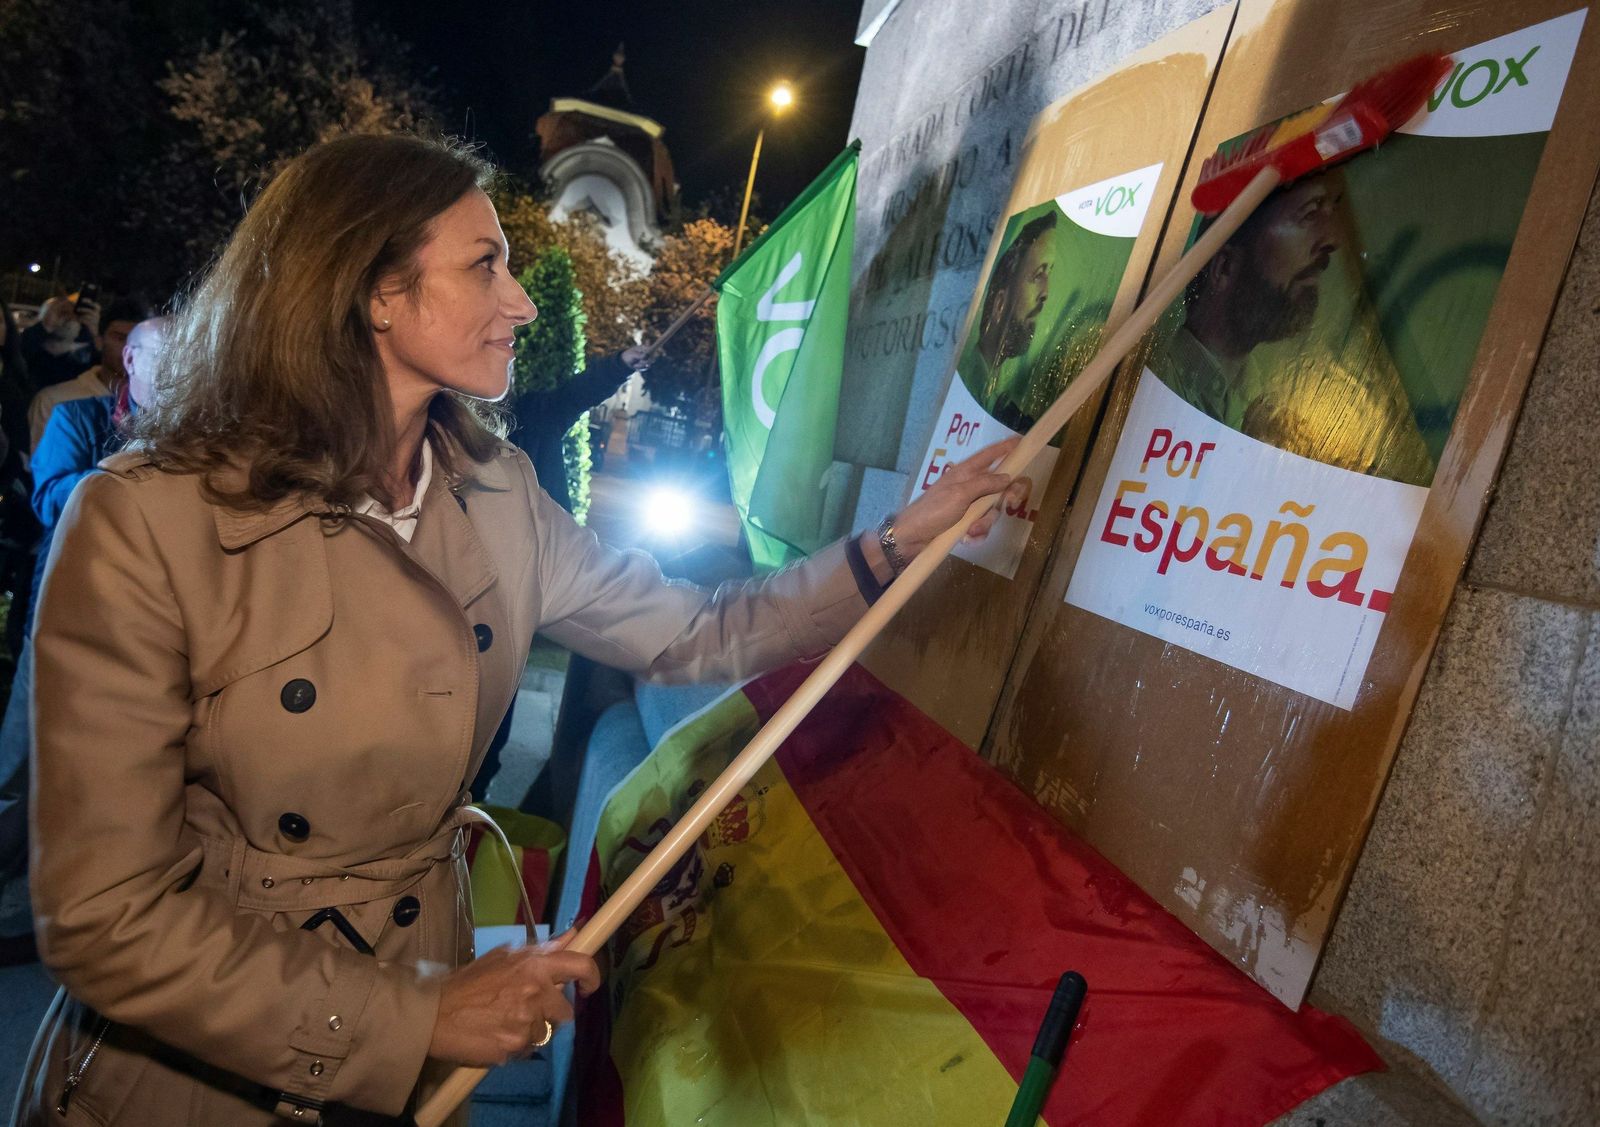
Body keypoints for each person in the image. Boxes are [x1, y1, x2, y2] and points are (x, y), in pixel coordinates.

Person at [13, 133, 1021, 1125]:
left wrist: (891, 543)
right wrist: (410, 1013)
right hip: (201, 1078)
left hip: (414, 1062)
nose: (524, 301)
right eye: (484, 265)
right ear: (372, 291)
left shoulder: (498, 495)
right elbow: (105, 916)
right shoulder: (148, 518)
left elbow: (698, 631)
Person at [0, 315, 171, 964]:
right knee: (18, 768)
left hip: (140, 640)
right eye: (165, 360)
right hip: (61, 627)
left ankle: (43, 912)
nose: (178, 374)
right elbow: (52, 500)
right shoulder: (79, 420)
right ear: (130, 359)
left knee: (97, 782)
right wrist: (139, 478)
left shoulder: (190, 440)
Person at [1154, 176, 1340, 430]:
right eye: (1309, 214)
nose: (1332, 241)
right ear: (1225, 268)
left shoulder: (1259, 402)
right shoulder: (1150, 385)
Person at [959, 210, 1055, 431]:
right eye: (1038, 274)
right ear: (1000, 303)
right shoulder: (969, 389)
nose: (1046, 293)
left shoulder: (991, 393)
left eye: (1050, 272)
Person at [28, 296, 148, 452]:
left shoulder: (157, 404)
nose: (129, 348)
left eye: (137, 339)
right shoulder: (56, 400)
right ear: (99, 341)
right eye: (120, 338)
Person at [19, 295, 98, 388]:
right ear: (42, 316)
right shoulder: (30, 344)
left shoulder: (86, 352)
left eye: (74, 314)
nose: (69, 318)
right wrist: (45, 327)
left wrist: (94, 334)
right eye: (61, 313)